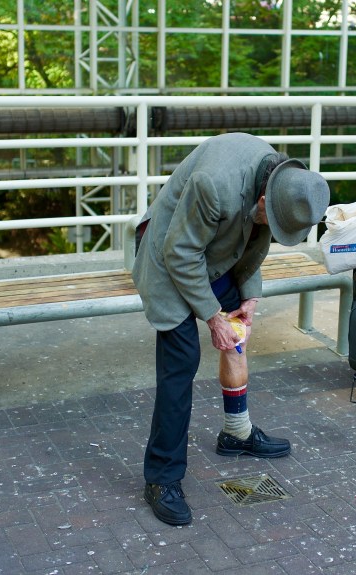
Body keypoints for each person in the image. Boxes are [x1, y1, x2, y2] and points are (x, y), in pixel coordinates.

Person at [131, 132, 330, 526]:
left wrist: (248, 298)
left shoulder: (278, 180)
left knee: (235, 331)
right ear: (263, 200)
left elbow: (256, 242)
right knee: (181, 363)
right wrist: (212, 316)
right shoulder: (214, 185)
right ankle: (161, 478)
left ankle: (236, 432)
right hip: (166, 253)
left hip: (214, 250)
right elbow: (180, 253)